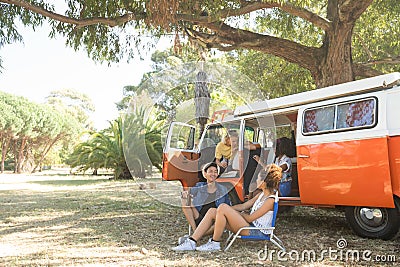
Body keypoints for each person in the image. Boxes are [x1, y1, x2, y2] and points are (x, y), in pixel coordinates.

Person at [172, 164, 282, 251]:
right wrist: (230, 211)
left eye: (258, 178)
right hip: (248, 225)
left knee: (223, 207)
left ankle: (215, 243)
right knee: (213, 211)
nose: (256, 180)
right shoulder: (261, 195)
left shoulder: (270, 200)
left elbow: (249, 218)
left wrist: (233, 212)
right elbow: (244, 205)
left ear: (265, 181)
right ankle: (192, 242)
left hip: (255, 231)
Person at [179, 162, 231, 244]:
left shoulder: (223, 189)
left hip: (214, 221)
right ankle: (195, 230)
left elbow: (228, 207)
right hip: (198, 217)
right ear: (205, 174)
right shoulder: (200, 186)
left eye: (215, 171)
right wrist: (184, 194)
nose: (213, 174)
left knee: (220, 220)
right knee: (185, 200)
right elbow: (186, 192)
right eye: (210, 171)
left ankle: (196, 235)